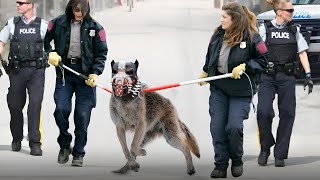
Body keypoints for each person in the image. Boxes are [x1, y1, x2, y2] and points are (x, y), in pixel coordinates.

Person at [198, 2, 268, 178]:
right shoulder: (217, 35)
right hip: (219, 88)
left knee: (234, 127)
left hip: (242, 90)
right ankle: (221, 165)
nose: (221, 19)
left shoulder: (252, 37)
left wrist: (246, 65)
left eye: (224, 17)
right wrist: (206, 70)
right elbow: (211, 55)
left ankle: (236, 160)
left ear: (235, 19)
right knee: (217, 127)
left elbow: (264, 59)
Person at [44, 0, 108, 167]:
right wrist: (50, 53)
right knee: (61, 109)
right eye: (76, 11)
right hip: (65, 71)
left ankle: (79, 152)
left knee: (82, 115)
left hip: (85, 75)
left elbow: (101, 53)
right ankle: (65, 145)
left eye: (82, 12)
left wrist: (95, 72)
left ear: (87, 10)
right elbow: (43, 40)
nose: (78, 14)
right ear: (70, 8)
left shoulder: (97, 28)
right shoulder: (57, 23)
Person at [257, 0, 313, 167]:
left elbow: (302, 53)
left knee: (288, 113)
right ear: (279, 11)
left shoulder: (294, 30)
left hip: (287, 77)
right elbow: (256, 52)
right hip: (267, 77)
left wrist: (308, 75)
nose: (292, 12)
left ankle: (280, 154)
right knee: (264, 112)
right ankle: (265, 147)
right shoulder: (265, 29)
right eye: (290, 10)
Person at [0, 0, 48, 156]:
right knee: (14, 105)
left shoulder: (43, 25)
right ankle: (17, 138)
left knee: (34, 105)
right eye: (17, 2)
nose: (18, 5)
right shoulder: (12, 24)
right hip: (17, 71)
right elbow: (1, 42)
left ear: (30, 5)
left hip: (36, 71)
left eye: (21, 2)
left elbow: (54, 45)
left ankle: (35, 142)